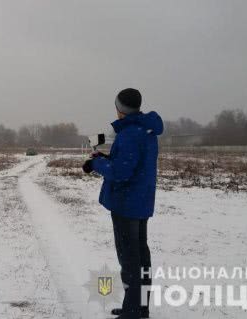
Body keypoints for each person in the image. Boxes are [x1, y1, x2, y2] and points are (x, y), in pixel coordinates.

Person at [82, 88, 163, 319]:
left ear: (120, 109)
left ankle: (132, 312)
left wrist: (94, 165)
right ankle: (140, 307)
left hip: (127, 204)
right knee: (141, 256)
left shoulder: (129, 134)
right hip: (141, 202)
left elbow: (120, 172)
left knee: (130, 259)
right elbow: (131, 165)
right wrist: (105, 159)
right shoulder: (146, 131)